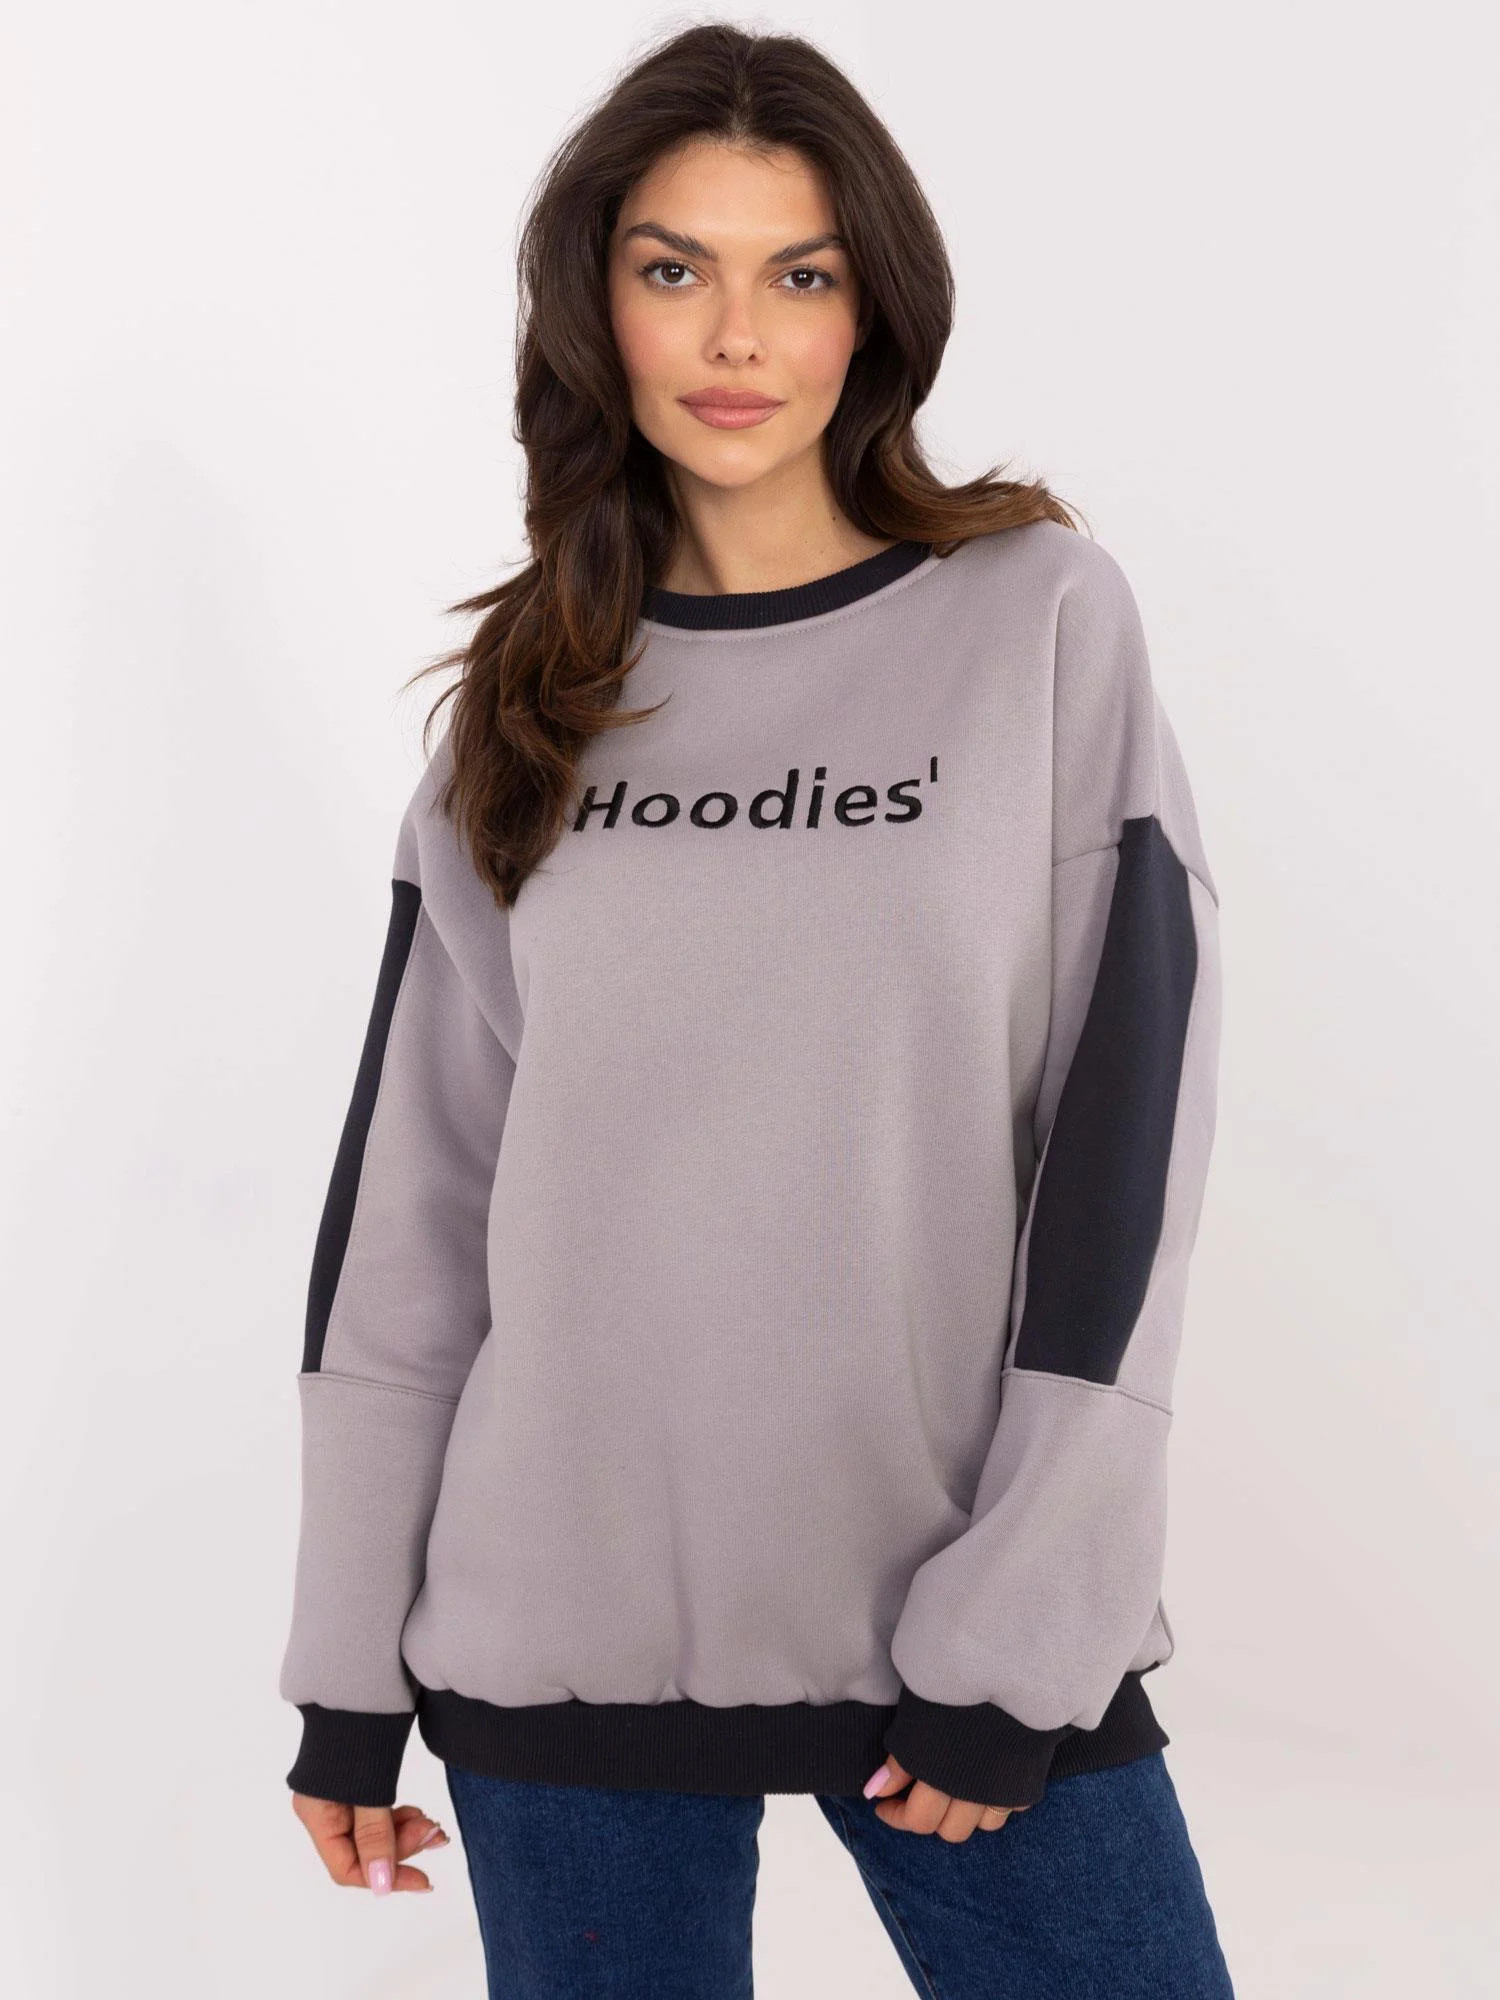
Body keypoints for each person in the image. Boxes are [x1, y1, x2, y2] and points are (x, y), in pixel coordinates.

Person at [277, 20, 1236, 1997]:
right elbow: (415, 1218)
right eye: (673, 268)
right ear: (595, 305)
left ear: (873, 309)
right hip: (555, 1631)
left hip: (961, 1625)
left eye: (800, 271)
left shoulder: (1036, 619)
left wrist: (1024, 1626)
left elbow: (1125, 1152)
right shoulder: (523, 708)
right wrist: (346, 1665)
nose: (737, 336)